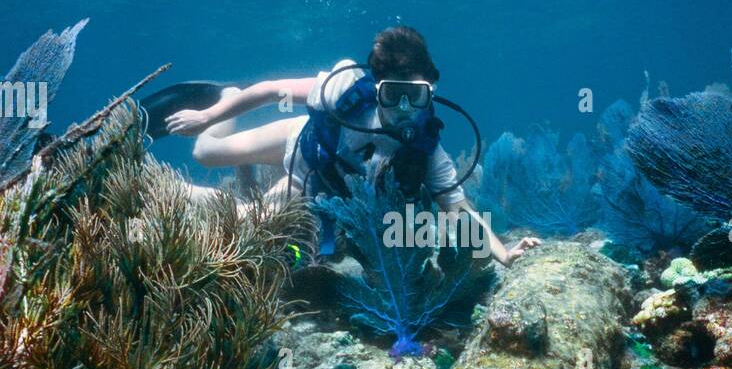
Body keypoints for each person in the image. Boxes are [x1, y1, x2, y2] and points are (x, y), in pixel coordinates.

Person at [163, 25, 540, 267]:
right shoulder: (344, 95)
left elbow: (458, 209)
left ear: (432, 93)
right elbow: (267, 91)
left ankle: (170, 191)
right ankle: (225, 98)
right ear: (377, 90)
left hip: (308, 183)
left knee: (249, 220)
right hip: (300, 140)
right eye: (394, 95)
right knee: (204, 153)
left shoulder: (426, 147)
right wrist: (207, 118)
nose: (405, 110)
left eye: (417, 97)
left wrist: (505, 254)